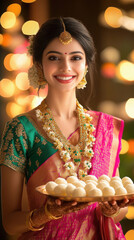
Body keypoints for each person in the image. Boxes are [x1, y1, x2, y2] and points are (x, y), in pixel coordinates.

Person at [0, 17, 134, 240]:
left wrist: (112, 210)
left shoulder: (105, 127)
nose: (66, 67)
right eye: (54, 57)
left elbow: (116, 208)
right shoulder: (21, 130)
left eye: (76, 58)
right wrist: (46, 214)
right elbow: (9, 224)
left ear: (86, 64)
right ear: (39, 64)